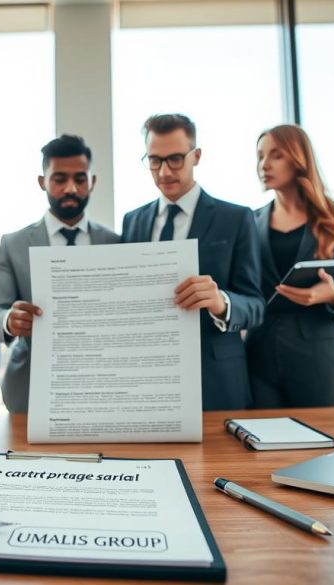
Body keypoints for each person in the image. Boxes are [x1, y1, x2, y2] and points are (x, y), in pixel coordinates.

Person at [121, 113, 264, 410]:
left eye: (175, 159)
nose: (163, 172)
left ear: (196, 156)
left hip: (216, 380)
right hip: (147, 380)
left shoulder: (236, 218)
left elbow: (255, 305)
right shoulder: (132, 222)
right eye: (154, 160)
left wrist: (221, 301)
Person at [247, 124, 334, 408]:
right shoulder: (249, 221)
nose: (264, 164)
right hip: (258, 357)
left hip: (321, 357)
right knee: (259, 447)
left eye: (276, 155)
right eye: (260, 156)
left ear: (299, 159)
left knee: (323, 448)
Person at [0, 134, 120, 412]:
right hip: (30, 387)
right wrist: (10, 320)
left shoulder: (115, 243)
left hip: (104, 386)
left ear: (92, 182)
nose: (71, 188)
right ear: (42, 181)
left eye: (80, 179)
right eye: (59, 178)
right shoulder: (14, 244)